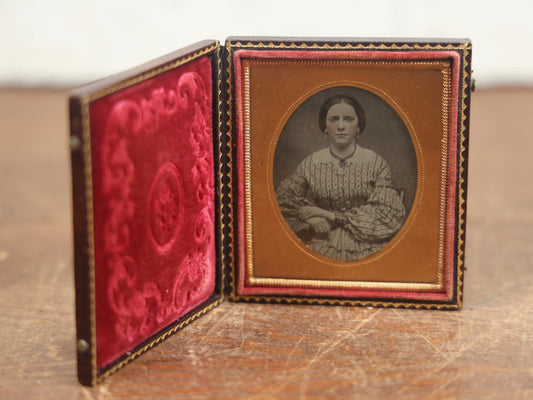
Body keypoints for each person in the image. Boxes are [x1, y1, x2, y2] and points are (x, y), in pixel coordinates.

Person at [275, 94, 406, 260]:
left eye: (348, 119)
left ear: (358, 126)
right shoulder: (311, 163)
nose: (341, 126)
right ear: (325, 126)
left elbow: (387, 214)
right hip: (323, 239)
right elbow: (282, 203)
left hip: (368, 243)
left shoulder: (375, 163)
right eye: (334, 119)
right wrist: (307, 216)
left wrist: (328, 215)